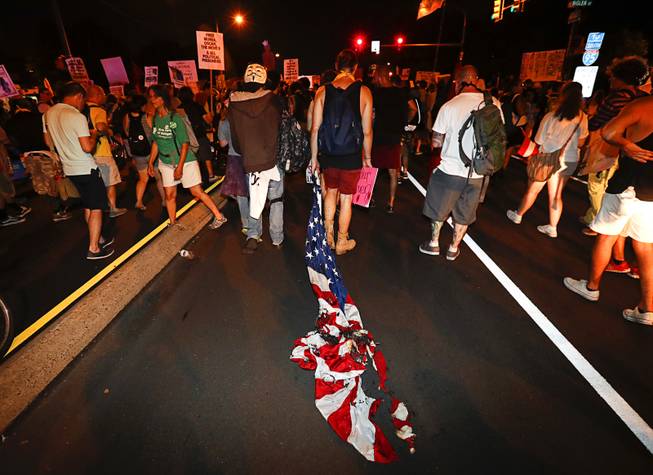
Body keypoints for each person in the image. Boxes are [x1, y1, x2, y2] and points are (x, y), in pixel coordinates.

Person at [564, 95, 653, 326]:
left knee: (607, 237)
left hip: (628, 184)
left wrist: (629, 146)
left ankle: (591, 287)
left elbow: (609, 132)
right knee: (645, 247)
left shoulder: (643, 106)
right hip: (652, 193)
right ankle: (647, 309)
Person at [418, 65, 503, 261]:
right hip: (478, 172)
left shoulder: (450, 106)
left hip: (450, 170)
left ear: (457, 82)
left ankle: (433, 243)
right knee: (465, 212)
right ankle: (453, 248)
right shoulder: (494, 103)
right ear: (476, 79)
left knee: (439, 208)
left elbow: (436, 143)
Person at [310, 49, 373, 255]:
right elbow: (367, 131)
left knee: (330, 191)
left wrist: (314, 158)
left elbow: (315, 129)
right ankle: (342, 240)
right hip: (351, 155)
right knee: (346, 198)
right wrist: (368, 158)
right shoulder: (363, 91)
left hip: (328, 153)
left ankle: (328, 235)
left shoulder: (322, 91)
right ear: (355, 67)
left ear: (336, 66)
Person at [506, 82, 588, 238]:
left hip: (548, 158)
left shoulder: (552, 115)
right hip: (568, 160)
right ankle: (552, 227)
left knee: (534, 189)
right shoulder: (583, 117)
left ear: (562, 96)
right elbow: (582, 142)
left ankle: (518, 214)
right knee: (556, 195)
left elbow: (539, 139)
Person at [43, 82, 114, 259]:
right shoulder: (76, 116)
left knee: (88, 204)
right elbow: (87, 147)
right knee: (97, 207)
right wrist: (95, 134)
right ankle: (94, 248)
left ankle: (99, 237)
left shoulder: (48, 114)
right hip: (86, 167)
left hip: (70, 168)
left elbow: (48, 142)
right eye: (84, 99)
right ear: (79, 97)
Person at [580, 56, 649, 235]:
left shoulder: (618, 98)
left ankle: (598, 223)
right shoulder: (643, 98)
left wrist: (590, 118)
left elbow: (598, 125)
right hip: (632, 156)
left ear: (621, 78)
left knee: (597, 186)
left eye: (613, 77)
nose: (610, 81)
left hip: (610, 147)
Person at [146, 85, 226, 230]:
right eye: (150, 97)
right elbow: (156, 142)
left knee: (196, 191)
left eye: (154, 97)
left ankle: (219, 216)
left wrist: (180, 167)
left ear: (162, 99)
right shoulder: (156, 118)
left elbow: (185, 144)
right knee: (169, 195)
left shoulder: (175, 118)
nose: (152, 100)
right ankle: (173, 222)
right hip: (165, 162)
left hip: (185, 161)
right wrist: (151, 163)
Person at [228, 64, 284, 254]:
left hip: (249, 159)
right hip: (273, 157)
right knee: (276, 198)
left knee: (255, 197)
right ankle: (277, 237)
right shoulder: (274, 100)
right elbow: (281, 127)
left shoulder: (234, 103)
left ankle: (253, 235)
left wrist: (246, 151)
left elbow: (234, 138)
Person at [371, 64, 408, 213]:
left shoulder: (376, 94)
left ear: (380, 77)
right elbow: (410, 109)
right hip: (394, 137)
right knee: (393, 172)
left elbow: (371, 115)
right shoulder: (400, 93)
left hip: (378, 137)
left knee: (373, 171)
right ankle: (391, 203)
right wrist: (402, 124)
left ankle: (370, 198)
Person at [86, 85, 127, 218]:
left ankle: (99, 208)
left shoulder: (80, 111)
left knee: (95, 184)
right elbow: (100, 126)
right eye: (103, 93)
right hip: (101, 151)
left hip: (86, 153)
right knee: (110, 182)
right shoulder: (99, 110)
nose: (104, 96)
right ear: (97, 95)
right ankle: (113, 208)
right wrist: (107, 130)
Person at [217, 100, 249, 234]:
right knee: (253, 187)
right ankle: (256, 217)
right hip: (251, 156)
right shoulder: (247, 116)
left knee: (240, 192)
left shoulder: (224, 121)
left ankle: (246, 224)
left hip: (234, 157)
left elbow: (223, 143)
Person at [178, 86, 218, 183]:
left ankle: (195, 178)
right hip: (199, 134)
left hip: (185, 137)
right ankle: (211, 175)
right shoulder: (197, 106)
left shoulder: (178, 109)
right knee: (205, 155)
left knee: (192, 158)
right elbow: (208, 120)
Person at [123, 94, 154, 210]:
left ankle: (139, 201)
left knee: (143, 179)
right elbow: (153, 133)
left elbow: (126, 133)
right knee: (159, 177)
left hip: (137, 153)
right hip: (151, 152)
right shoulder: (147, 116)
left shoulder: (127, 117)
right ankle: (166, 201)